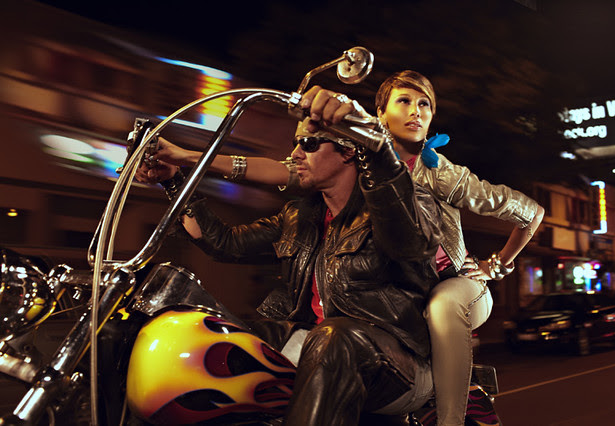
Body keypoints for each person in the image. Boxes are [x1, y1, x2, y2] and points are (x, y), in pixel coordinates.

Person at [144, 70, 545, 425]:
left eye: (424, 104)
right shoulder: (303, 212)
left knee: (439, 307)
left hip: (424, 310)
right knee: (224, 339)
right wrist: (178, 170)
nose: (416, 111)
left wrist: (495, 265)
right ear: (381, 115)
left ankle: (450, 416)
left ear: (352, 149)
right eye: (404, 101)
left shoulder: (430, 181)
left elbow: (409, 236)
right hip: (331, 340)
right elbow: (234, 229)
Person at [136, 117, 443, 425]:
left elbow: (412, 242)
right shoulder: (300, 215)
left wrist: (376, 147)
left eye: (308, 144)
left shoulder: (406, 204)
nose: (295, 154)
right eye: (296, 144)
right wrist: (173, 180)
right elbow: (225, 242)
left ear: (348, 151)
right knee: (208, 338)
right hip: (315, 345)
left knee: (334, 338)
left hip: (398, 364)